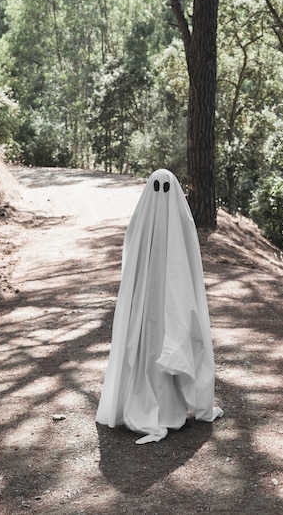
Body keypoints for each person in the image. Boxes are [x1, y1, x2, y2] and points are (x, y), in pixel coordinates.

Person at [96, 168, 223, 444]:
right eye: (157, 187)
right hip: (145, 306)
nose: (162, 193)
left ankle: (169, 406)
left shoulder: (182, 224)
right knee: (146, 346)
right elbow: (132, 264)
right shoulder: (144, 223)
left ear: (174, 190)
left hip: (173, 302)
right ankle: (157, 406)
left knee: (171, 342)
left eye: (166, 188)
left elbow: (188, 266)